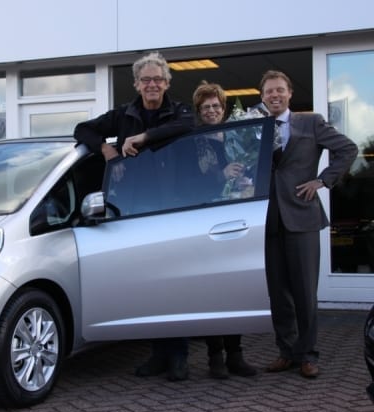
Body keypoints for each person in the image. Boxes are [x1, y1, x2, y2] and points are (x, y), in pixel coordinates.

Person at [73, 52, 194, 381]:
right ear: (137, 84)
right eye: (146, 80)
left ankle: (179, 355)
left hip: (172, 209)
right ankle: (158, 354)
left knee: (174, 284)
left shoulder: (178, 111)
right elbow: (82, 129)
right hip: (136, 210)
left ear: (167, 83)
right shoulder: (123, 114)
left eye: (158, 79)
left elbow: (187, 126)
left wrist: (142, 137)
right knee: (150, 284)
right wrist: (105, 148)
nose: (152, 84)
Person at [260, 70, 357, 378]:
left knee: (304, 292)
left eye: (279, 90)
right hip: (268, 219)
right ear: (262, 97)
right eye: (269, 91)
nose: (274, 95)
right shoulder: (257, 127)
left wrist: (323, 181)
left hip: (302, 216)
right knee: (278, 293)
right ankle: (286, 352)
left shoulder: (310, 122)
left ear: (289, 93)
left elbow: (348, 149)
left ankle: (308, 354)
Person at [191, 81, 258, 379]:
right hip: (206, 220)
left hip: (235, 218)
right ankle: (214, 355)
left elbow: (250, 165)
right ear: (199, 110)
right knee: (210, 289)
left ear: (224, 107)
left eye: (216, 106)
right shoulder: (194, 141)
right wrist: (221, 175)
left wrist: (244, 180)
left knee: (234, 287)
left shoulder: (237, 136)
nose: (211, 111)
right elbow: (189, 181)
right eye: (206, 107)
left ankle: (235, 354)